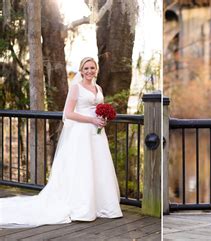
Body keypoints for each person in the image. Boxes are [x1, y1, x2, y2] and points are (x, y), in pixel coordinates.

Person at [0, 57, 123, 228]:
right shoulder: (76, 87)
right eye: (86, 68)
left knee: (98, 166)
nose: (89, 71)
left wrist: (102, 119)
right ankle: (82, 207)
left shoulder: (98, 88)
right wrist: (91, 120)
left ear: (97, 70)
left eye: (92, 68)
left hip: (96, 135)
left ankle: (101, 206)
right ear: (81, 70)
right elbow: (68, 113)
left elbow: (96, 109)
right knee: (82, 168)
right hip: (81, 133)